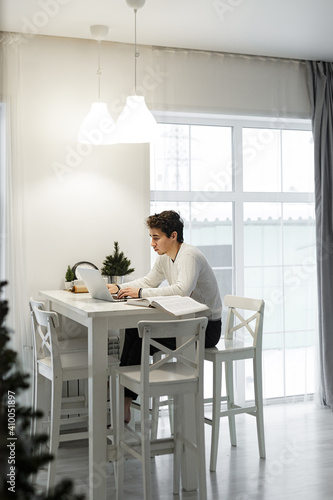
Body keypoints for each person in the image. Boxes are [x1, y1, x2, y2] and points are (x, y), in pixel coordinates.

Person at [108, 210, 222, 423]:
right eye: (151, 237)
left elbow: (181, 291)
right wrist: (118, 287)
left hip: (206, 329)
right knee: (135, 330)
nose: (152, 243)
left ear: (173, 236)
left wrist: (140, 294)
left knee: (141, 337)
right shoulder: (165, 258)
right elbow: (148, 281)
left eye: (156, 237)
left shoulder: (188, 255)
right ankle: (125, 394)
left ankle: (124, 390)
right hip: (185, 324)